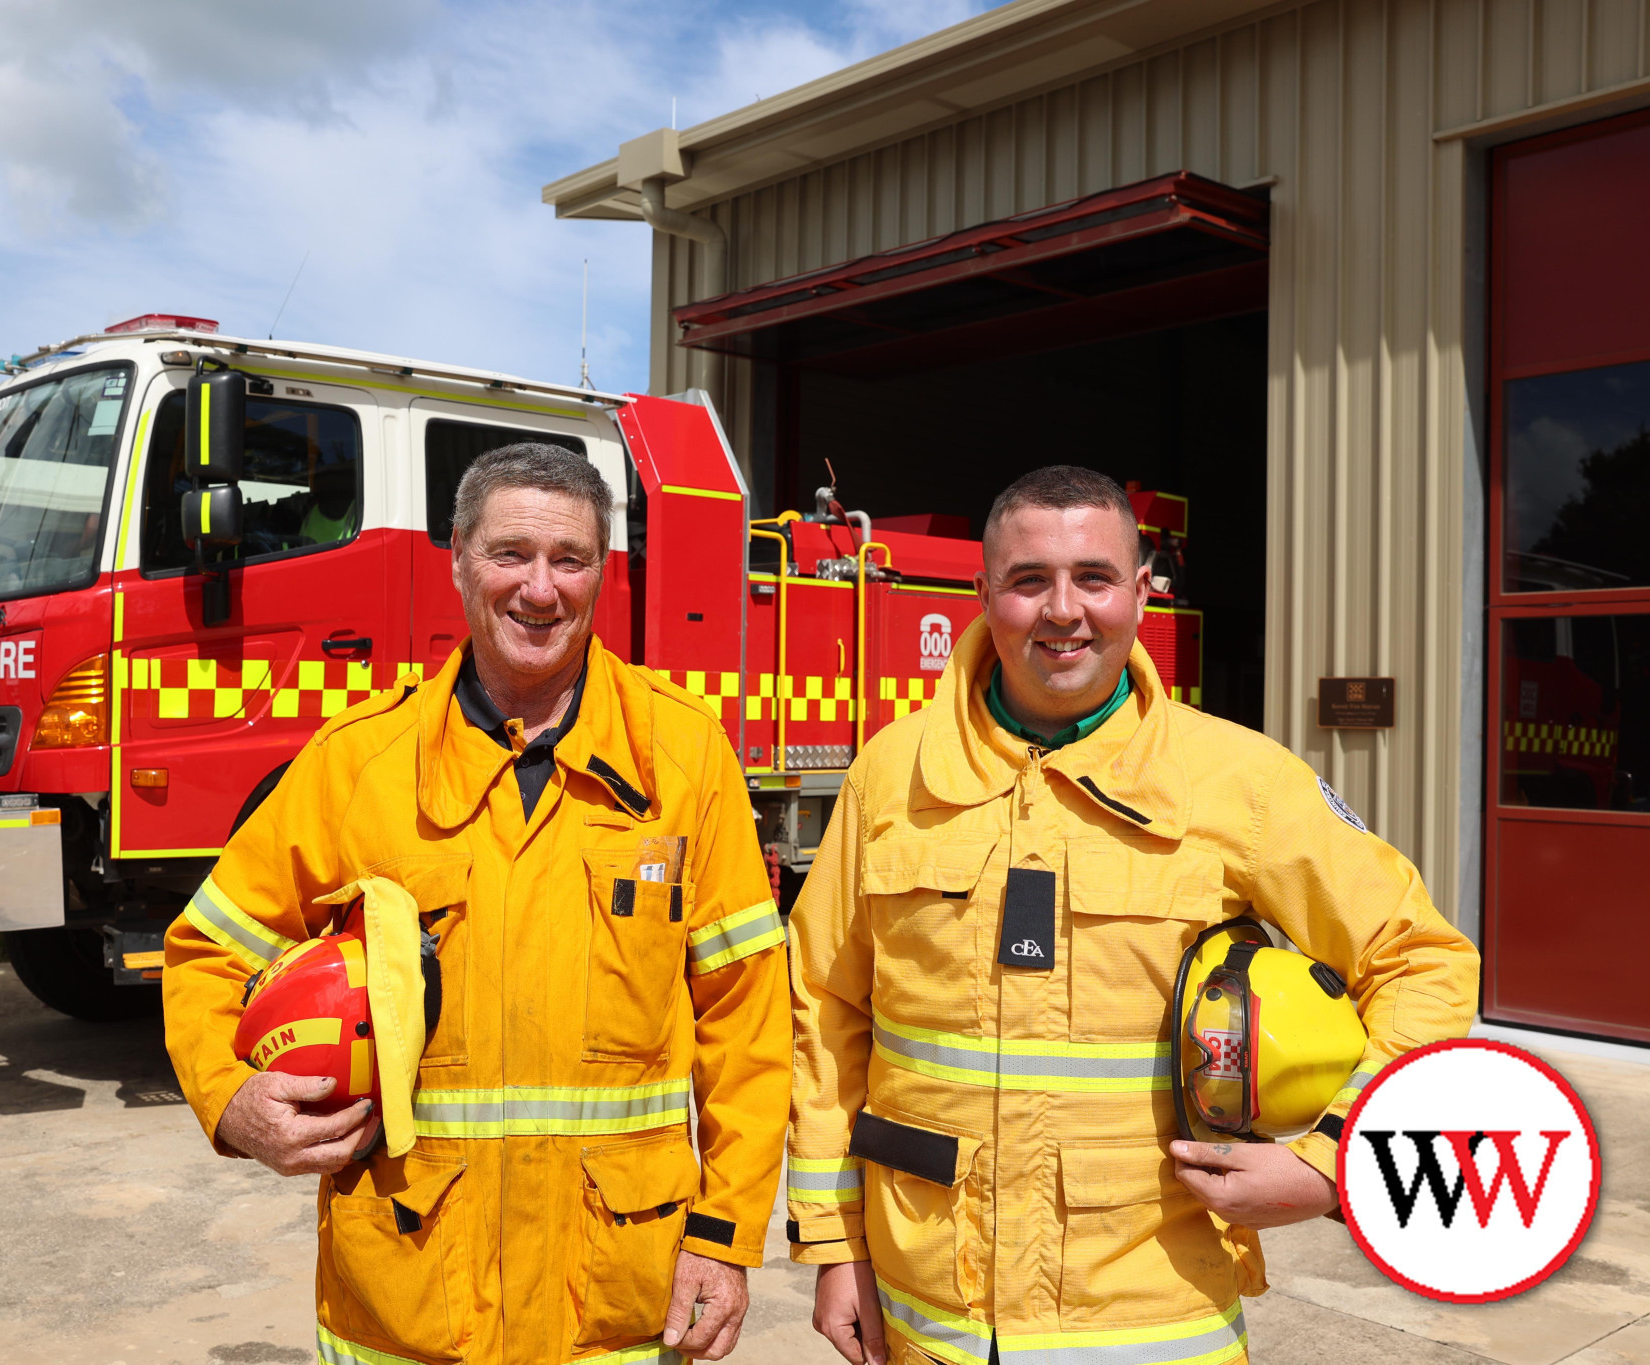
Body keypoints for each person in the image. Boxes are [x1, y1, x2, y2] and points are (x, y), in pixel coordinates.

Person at [787, 466, 1478, 1365]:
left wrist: (1332, 1158)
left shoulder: (1242, 781)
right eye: (1030, 579)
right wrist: (835, 1243)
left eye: (1095, 578)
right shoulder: (893, 772)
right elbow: (823, 1007)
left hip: (1153, 1322)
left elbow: (1423, 960)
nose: (1063, 610)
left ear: (1143, 594)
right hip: (932, 1318)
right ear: (982, 593)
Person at [162, 442, 792, 1365]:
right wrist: (233, 1104)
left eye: (569, 559)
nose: (540, 589)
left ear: (602, 574)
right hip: (410, 1302)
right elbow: (209, 950)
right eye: (510, 554)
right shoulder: (358, 767)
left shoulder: (685, 761)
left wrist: (726, 1235)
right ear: (457, 555)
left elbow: (749, 1023)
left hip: (615, 1304)